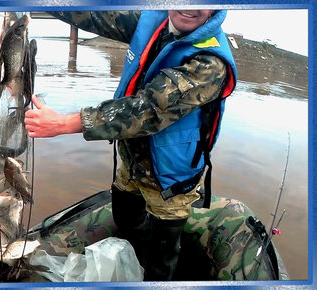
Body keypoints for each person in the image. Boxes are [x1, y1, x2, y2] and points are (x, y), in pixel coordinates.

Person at [24, 10, 237, 280]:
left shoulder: (210, 63)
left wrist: (65, 124)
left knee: (162, 259)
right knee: (125, 218)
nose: (190, 7)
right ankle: (134, 261)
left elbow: (148, 109)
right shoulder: (152, 21)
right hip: (132, 160)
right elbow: (94, 15)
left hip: (171, 177)